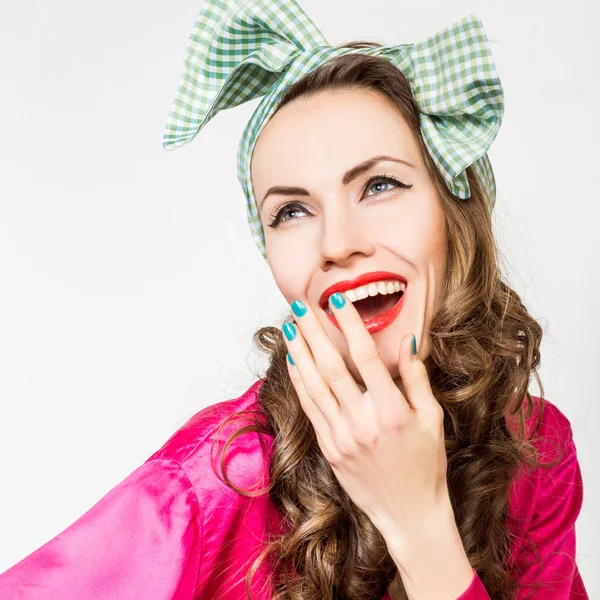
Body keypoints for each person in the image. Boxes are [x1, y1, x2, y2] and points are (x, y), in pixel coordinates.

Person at [0, 0, 589, 599]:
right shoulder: (219, 480)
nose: (337, 243)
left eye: (379, 185)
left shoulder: (534, 451)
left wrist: (420, 527)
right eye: (292, 211)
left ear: (452, 211)